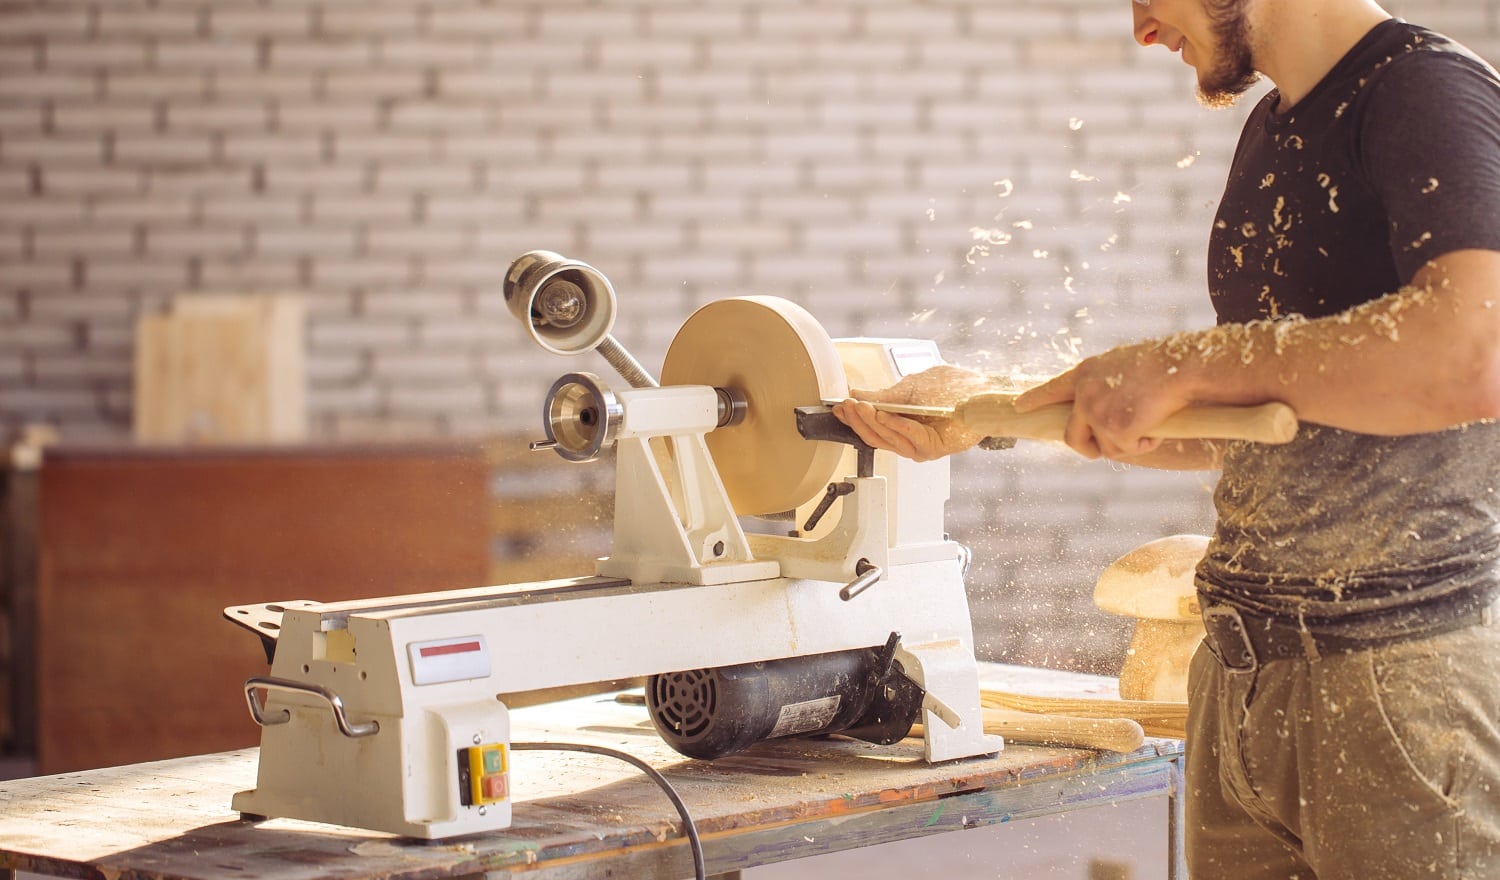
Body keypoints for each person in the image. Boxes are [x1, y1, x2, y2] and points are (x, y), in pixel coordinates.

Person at [833, 0, 1500, 876]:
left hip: (1395, 679)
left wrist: (1183, 365)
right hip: (1237, 676)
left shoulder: (1424, 90)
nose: (1144, 29)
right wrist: (1000, 416)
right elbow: (1279, 421)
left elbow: (1473, 353)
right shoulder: (1276, 125)